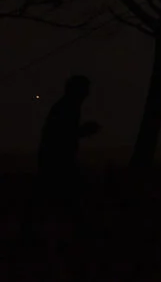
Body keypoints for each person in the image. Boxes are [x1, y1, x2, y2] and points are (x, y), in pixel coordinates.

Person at [27, 74, 99, 236]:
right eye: (85, 89)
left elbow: (61, 133)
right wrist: (83, 131)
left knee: (57, 195)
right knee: (67, 194)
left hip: (56, 158)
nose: (87, 93)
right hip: (57, 159)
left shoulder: (67, 106)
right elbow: (62, 134)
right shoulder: (67, 107)